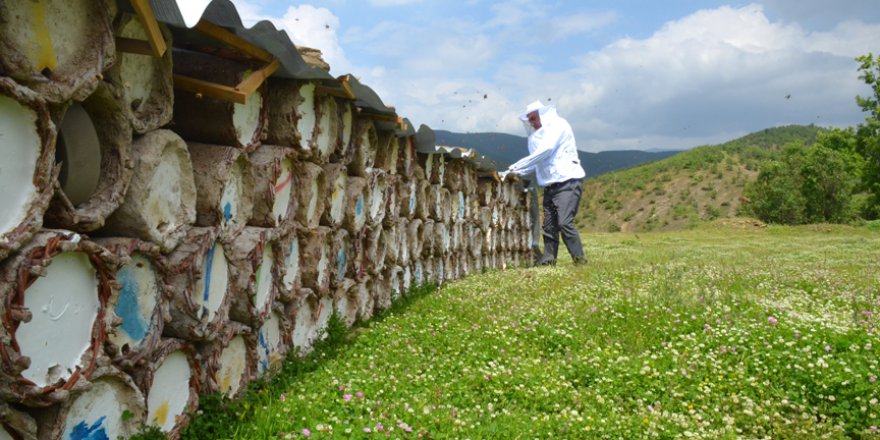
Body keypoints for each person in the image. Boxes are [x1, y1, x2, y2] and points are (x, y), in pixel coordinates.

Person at [501, 100, 587, 266]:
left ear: (544, 115)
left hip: (567, 182)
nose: (532, 123)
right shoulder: (536, 137)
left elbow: (545, 151)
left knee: (564, 222)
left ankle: (580, 261)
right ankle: (548, 262)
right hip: (550, 186)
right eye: (530, 120)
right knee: (549, 226)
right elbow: (535, 163)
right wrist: (511, 172)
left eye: (534, 118)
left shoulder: (558, 125)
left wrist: (516, 166)